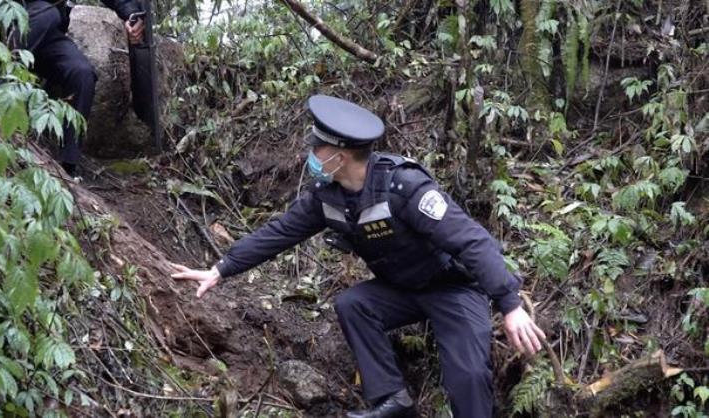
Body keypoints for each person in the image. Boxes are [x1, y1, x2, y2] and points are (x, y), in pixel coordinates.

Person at [170, 95, 546, 418]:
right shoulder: (327, 195)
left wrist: (510, 303)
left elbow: (473, 241)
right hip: (401, 289)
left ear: (339, 155)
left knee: (466, 375)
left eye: (316, 149)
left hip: (452, 288)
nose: (310, 156)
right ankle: (392, 397)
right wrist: (221, 269)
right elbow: (281, 232)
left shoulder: (404, 187)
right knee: (353, 304)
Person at [19, 0, 146, 176]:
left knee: (82, 74)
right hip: (10, 28)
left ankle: (68, 166)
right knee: (48, 13)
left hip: (47, 36)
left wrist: (132, 16)